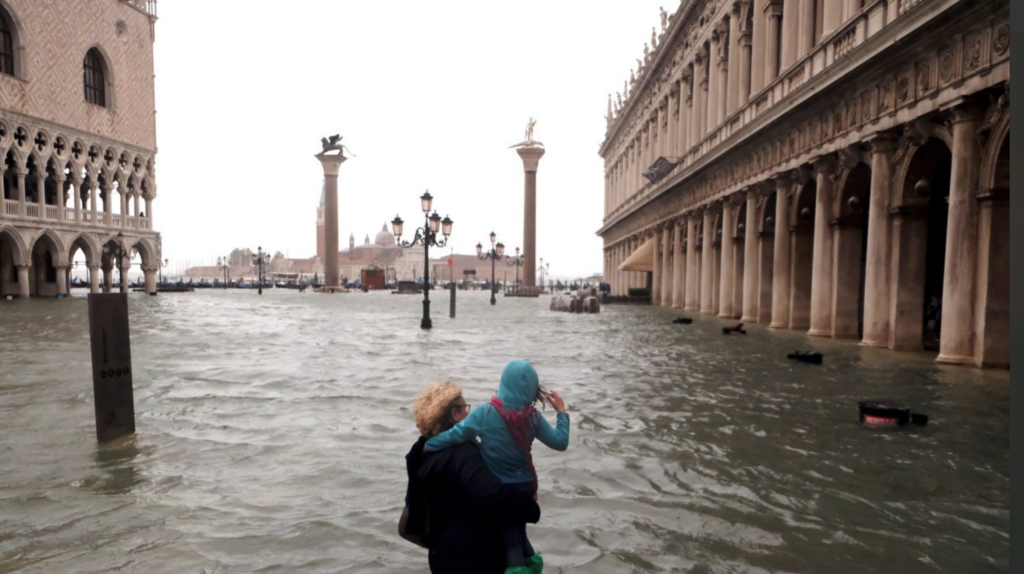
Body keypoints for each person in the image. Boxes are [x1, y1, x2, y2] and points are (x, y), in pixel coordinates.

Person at [425, 360, 570, 574]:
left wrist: (428, 444)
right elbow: (560, 442)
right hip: (527, 486)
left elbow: (456, 434)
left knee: (511, 539)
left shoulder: (485, 413)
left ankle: (521, 569)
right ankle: (534, 564)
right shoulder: (534, 418)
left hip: (502, 490)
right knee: (520, 533)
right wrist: (562, 413)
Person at [402, 380, 541, 574]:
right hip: (474, 560)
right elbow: (495, 496)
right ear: (455, 414)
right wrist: (531, 508)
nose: (469, 414)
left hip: (441, 556)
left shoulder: (421, 454)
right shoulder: (463, 455)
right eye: (466, 408)